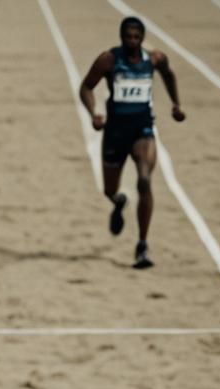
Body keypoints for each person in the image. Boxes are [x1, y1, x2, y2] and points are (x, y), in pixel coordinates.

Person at [79, 16, 185, 269]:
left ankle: (142, 245)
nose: (132, 41)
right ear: (121, 37)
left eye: (137, 37)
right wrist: (94, 113)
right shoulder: (109, 60)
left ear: (142, 38)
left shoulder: (155, 59)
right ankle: (118, 202)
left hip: (142, 130)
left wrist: (176, 104)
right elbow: (86, 87)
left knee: (144, 180)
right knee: (109, 190)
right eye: (128, 36)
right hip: (115, 132)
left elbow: (169, 75)